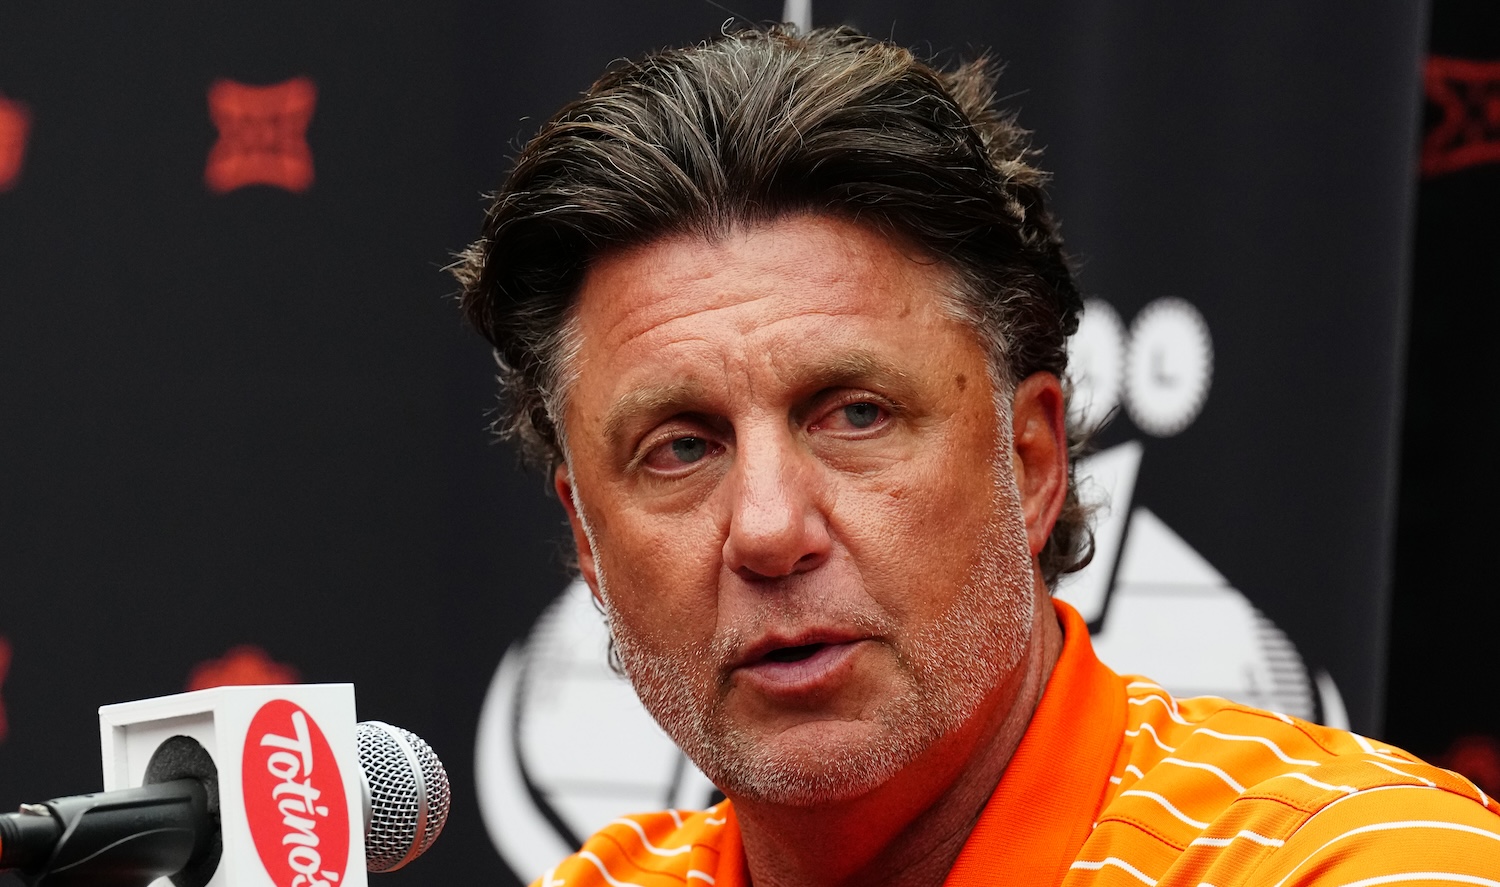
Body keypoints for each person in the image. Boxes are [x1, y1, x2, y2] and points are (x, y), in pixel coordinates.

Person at [453, 25, 1500, 887]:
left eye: (853, 414)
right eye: (680, 447)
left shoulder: (1364, 863)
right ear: (588, 541)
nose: (769, 528)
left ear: (1034, 459)